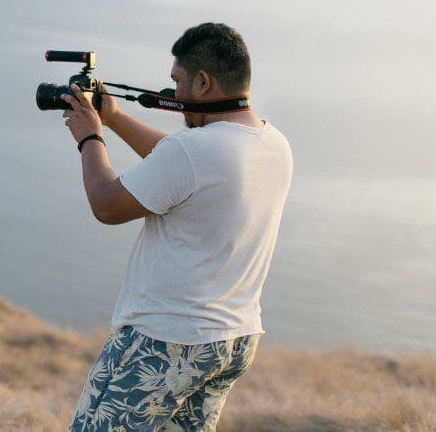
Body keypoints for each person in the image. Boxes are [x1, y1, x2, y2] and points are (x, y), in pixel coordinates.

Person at [61, 22, 293, 431]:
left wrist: (89, 138)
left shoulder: (195, 150)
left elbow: (107, 205)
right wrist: (113, 119)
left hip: (165, 340)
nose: (175, 95)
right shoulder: (273, 144)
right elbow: (181, 166)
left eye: (178, 81)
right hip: (231, 340)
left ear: (202, 82)